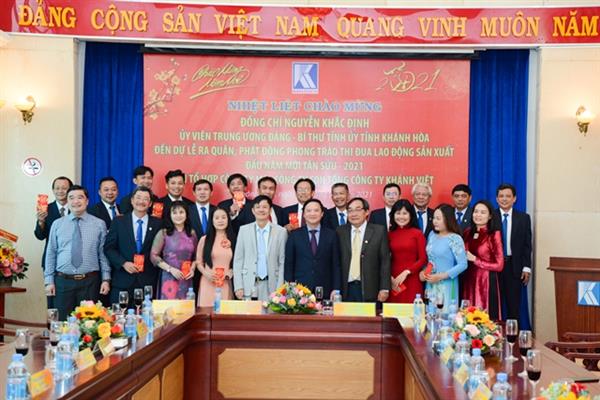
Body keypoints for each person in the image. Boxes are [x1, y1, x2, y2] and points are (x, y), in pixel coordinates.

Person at [44, 185, 111, 319]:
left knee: (89, 324)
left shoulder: (99, 224)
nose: (76, 201)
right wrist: (49, 281)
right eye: (71, 198)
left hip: (90, 282)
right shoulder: (57, 224)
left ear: (87, 201)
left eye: (80, 197)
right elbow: (51, 253)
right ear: (67, 201)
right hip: (63, 282)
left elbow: (103, 254)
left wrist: (106, 279)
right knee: (63, 323)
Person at [105, 186, 163, 307]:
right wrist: (123, 263)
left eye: (145, 199)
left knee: (146, 317)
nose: (141, 201)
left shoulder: (158, 224)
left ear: (150, 203)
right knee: (119, 316)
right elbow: (109, 248)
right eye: (138, 198)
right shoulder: (119, 221)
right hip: (122, 281)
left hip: (147, 282)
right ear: (132, 201)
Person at [233, 195, 287, 301]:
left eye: (264, 207)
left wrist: (280, 288)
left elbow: (282, 261)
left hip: (273, 285)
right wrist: (238, 286)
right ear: (253, 211)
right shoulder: (244, 230)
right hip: (248, 284)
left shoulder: (280, 232)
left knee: (271, 312)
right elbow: (238, 260)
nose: (261, 210)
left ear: (270, 210)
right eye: (258, 207)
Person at [337, 197, 391, 303]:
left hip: (370, 288)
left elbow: (385, 261)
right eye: (350, 210)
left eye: (358, 209)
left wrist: (384, 288)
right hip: (346, 288)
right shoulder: (340, 231)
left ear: (366, 212)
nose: (353, 214)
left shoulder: (378, 231)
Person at [284, 199, 341, 297]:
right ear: (304, 214)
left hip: (326, 288)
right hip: (300, 289)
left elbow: (336, 264)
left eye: (316, 210)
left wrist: (336, 288)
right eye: (309, 211)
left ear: (322, 214)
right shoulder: (294, 235)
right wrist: (290, 288)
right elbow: (289, 264)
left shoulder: (332, 235)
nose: (312, 213)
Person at [494, 183, 532, 321]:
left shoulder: (523, 218)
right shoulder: (490, 217)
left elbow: (527, 245)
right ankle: (492, 333)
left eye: (508, 196)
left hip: (514, 267)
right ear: (497, 199)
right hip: (494, 268)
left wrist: (526, 267)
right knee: (494, 306)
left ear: (514, 198)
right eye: (501, 196)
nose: (504, 199)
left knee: (513, 307)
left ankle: (513, 334)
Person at [419, 204, 467, 311]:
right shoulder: (432, 235)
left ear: (448, 220)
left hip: (446, 284)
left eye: (438, 219)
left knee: (444, 314)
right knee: (430, 313)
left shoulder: (455, 238)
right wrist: (424, 272)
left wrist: (441, 276)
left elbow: (463, 264)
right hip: (431, 283)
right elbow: (431, 259)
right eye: (434, 218)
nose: (435, 221)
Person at [461, 200, 504, 319]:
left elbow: (499, 265)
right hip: (468, 279)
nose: (478, 215)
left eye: (483, 212)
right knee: (467, 317)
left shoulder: (494, 234)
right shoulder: (467, 232)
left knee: (484, 318)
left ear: (490, 216)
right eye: (476, 211)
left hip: (485, 281)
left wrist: (475, 260)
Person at [34, 176, 73, 308]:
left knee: (72, 301)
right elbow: (40, 236)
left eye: (64, 188)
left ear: (70, 190)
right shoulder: (46, 209)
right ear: (53, 190)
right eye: (57, 188)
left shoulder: (77, 208)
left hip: (74, 262)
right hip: (52, 261)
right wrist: (41, 222)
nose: (60, 191)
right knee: (53, 300)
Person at [150, 201, 198, 299]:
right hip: (169, 278)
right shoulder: (163, 233)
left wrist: (192, 269)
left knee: (186, 307)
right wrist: (170, 269)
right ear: (170, 215)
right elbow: (153, 256)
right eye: (174, 213)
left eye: (181, 212)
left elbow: (196, 257)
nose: (178, 215)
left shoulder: (192, 233)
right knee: (169, 307)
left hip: (186, 278)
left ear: (186, 214)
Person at [387, 199, 427, 303]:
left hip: (412, 278)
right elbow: (384, 258)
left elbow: (423, 258)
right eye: (398, 213)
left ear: (411, 215)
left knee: (412, 308)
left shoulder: (417, 233)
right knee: (393, 310)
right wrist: (389, 277)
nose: (401, 217)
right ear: (393, 215)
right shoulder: (389, 234)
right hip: (393, 280)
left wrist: (407, 272)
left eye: (405, 213)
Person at [195, 208, 236, 307]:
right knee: (206, 313)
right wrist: (206, 274)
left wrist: (232, 271)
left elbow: (238, 261)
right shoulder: (204, 239)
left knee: (224, 312)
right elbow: (198, 262)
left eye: (223, 217)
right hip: (208, 281)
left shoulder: (233, 239)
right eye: (217, 218)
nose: (220, 220)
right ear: (212, 221)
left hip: (225, 282)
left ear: (228, 220)